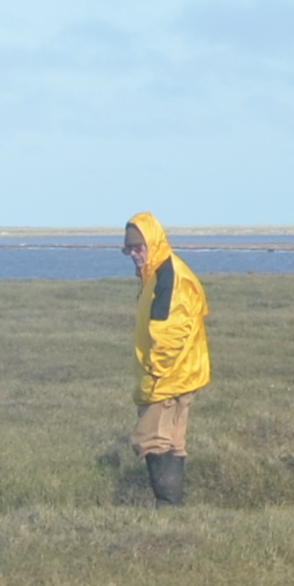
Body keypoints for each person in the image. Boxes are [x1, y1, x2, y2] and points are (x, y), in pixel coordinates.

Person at [120, 211, 209, 502]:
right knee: (172, 443)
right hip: (180, 375)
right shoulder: (160, 271)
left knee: (152, 441)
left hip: (169, 379)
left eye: (138, 247)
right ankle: (173, 511)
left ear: (153, 243)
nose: (133, 253)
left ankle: (167, 509)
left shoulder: (169, 276)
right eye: (128, 248)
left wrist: (155, 372)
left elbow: (170, 331)